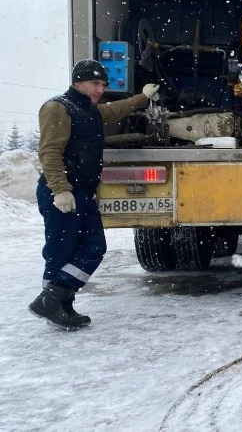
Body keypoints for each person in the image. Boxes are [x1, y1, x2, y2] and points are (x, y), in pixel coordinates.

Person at [27, 59, 160, 330]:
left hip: (83, 193)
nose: (100, 89)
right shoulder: (58, 107)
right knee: (60, 251)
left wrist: (143, 97)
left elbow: (116, 109)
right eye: (94, 83)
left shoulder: (91, 110)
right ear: (77, 82)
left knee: (93, 247)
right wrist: (60, 191)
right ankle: (56, 304)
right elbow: (50, 152)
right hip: (63, 193)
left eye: (103, 84)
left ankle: (55, 299)